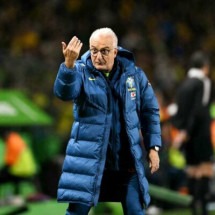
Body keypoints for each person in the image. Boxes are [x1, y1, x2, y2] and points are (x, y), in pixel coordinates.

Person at [53, 27, 162, 215]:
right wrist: (68, 65)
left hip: (126, 164)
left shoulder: (135, 76)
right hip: (89, 164)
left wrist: (153, 147)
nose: (97, 56)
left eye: (104, 51)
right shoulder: (79, 72)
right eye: (93, 50)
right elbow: (63, 93)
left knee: (136, 211)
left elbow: (150, 111)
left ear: (115, 51)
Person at [171, 51, 214, 215]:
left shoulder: (184, 84)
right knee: (205, 170)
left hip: (185, 135)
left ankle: (193, 210)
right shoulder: (204, 82)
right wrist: (190, 130)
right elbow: (199, 111)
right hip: (199, 133)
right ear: (205, 66)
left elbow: (178, 111)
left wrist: (182, 133)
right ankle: (202, 210)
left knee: (192, 172)